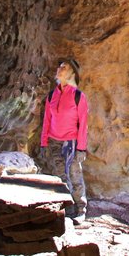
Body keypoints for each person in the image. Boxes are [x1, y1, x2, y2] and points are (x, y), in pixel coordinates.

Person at [39, 57, 88, 224]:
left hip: (71, 143)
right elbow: (46, 120)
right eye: (59, 66)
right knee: (60, 176)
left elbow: (83, 124)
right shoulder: (52, 95)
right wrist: (44, 143)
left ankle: (81, 209)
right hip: (54, 141)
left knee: (75, 175)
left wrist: (81, 148)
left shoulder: (78, 97)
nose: (60, 69)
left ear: (72, 74)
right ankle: (67, 209)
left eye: (64, 67)